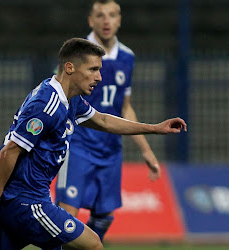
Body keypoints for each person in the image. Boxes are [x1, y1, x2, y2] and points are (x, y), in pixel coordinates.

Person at [0, 38, 187, 250]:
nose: (99, 77)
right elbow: (8, 152)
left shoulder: (70, 98)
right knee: (93, 244)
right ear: (70, 68)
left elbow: (103, 120)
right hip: (26, 200)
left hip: (25, 196)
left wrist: (155, 128)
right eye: (93, 69)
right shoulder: (46, 105)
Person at [55, 0, 162, 242]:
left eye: (112, 15)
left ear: (119, 20)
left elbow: (125, 107)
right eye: (100, 15)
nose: (106, 20)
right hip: (78, 147)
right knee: (66, 218)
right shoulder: (77, 55)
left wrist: (146, 150)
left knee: (105, 216)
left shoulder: (127, 57)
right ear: (91, 21)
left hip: (110, 150)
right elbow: (59, 95)